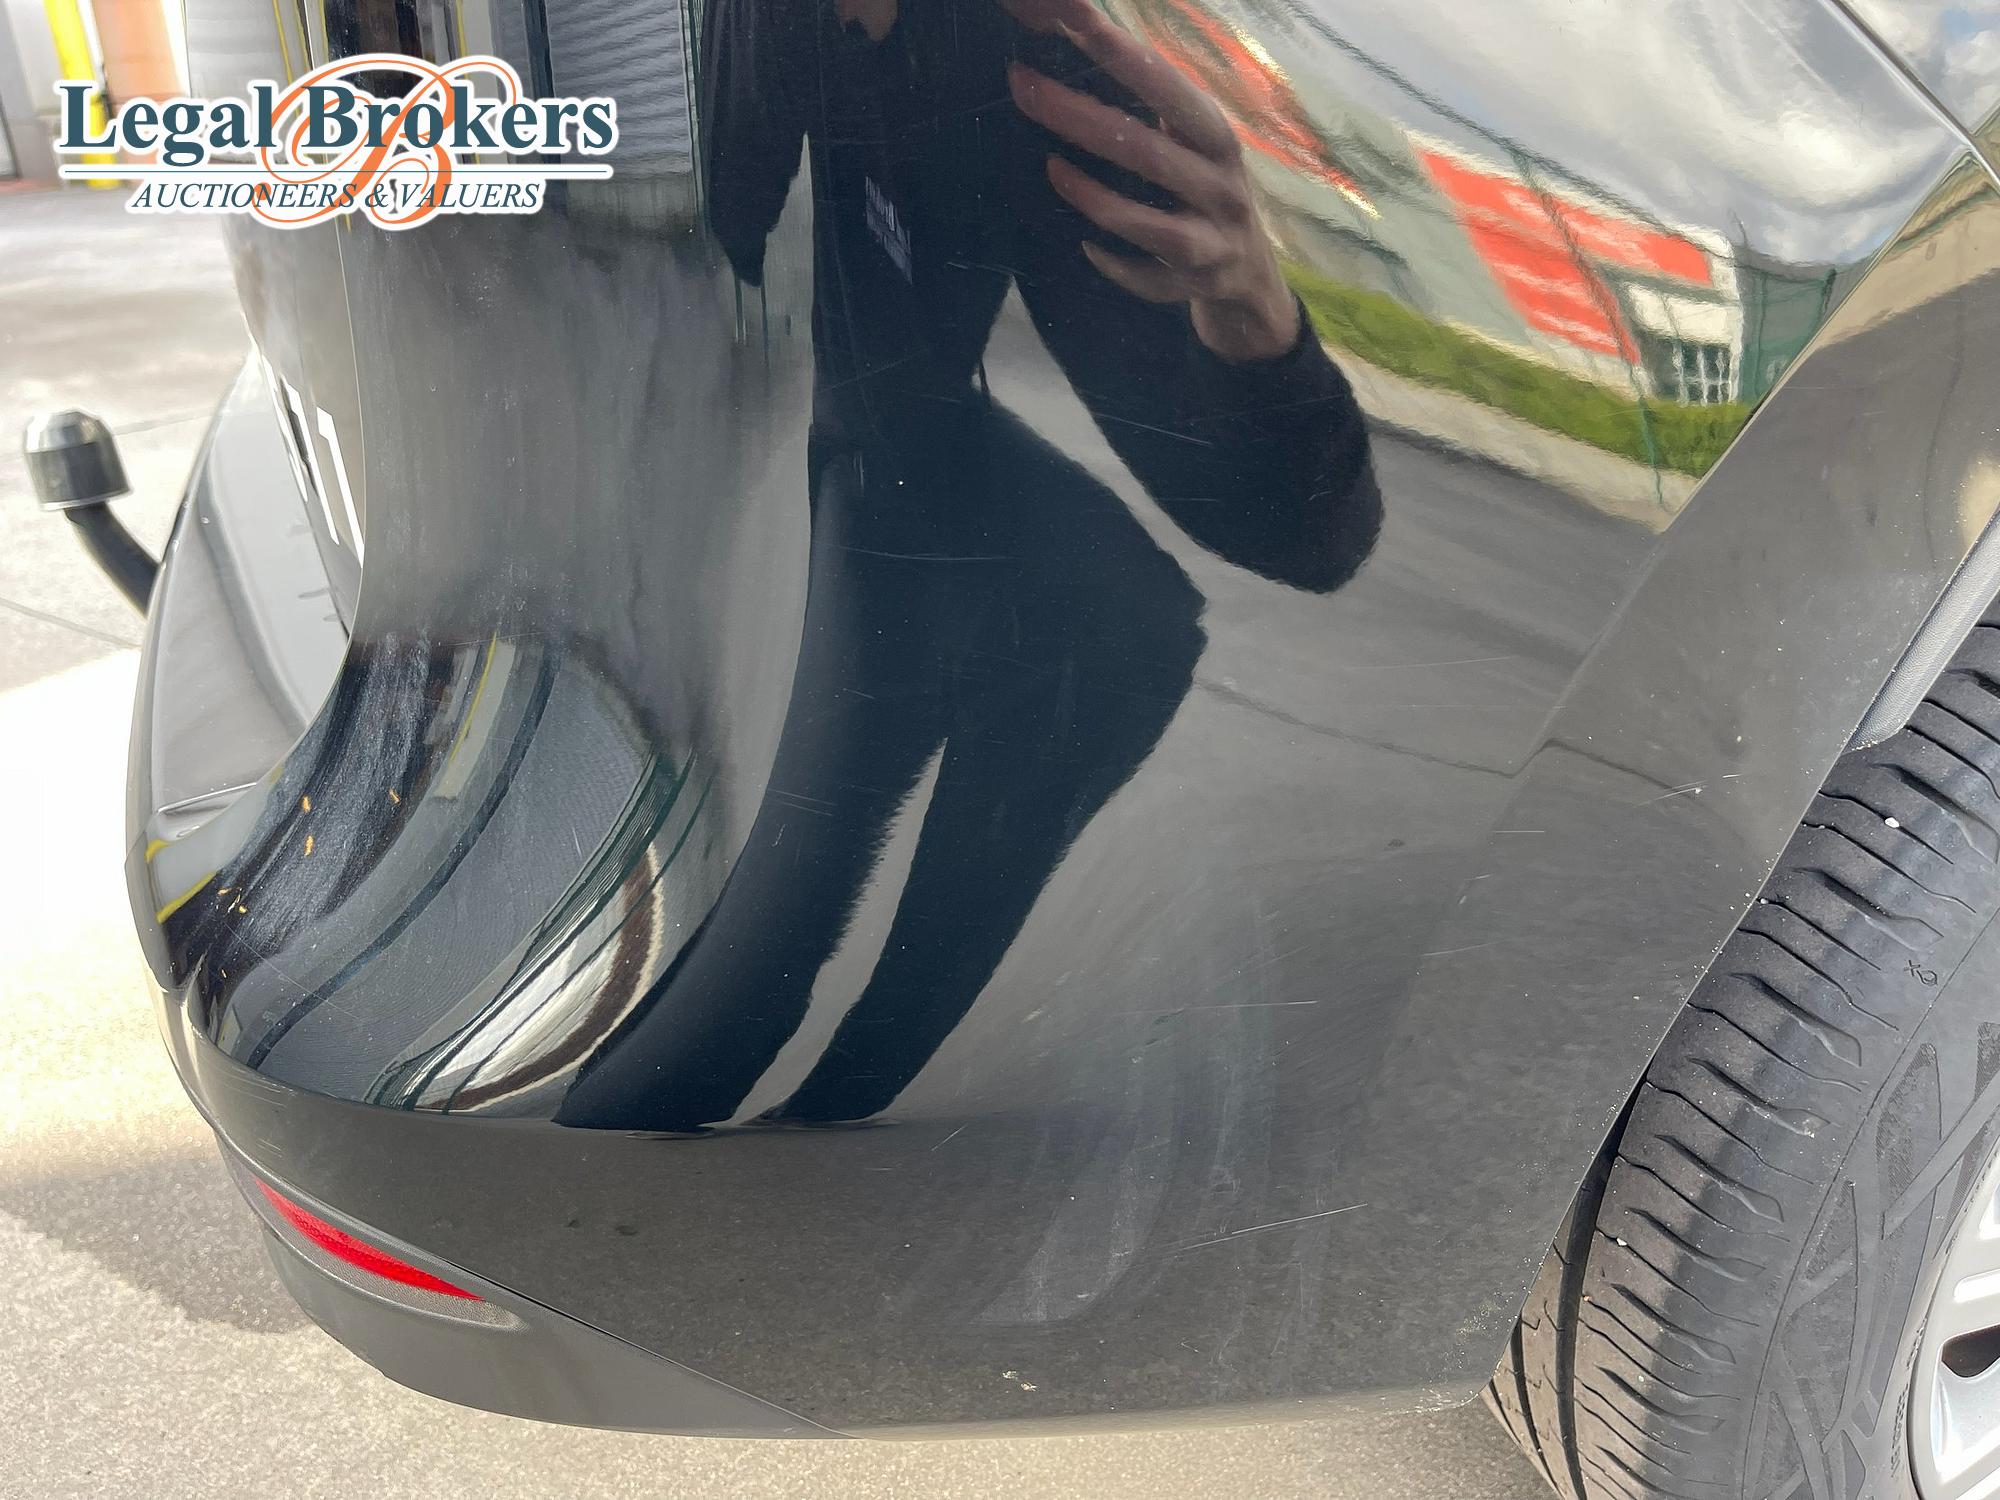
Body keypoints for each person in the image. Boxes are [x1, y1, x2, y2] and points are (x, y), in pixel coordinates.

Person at [556, 0, 1380, 1131]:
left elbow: (1307, 535)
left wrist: (1255, 325)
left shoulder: (1023, 83)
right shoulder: (733, 31)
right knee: (743, 983)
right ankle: (824, 1106)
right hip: (829, 479)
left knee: (776, 983)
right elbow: (715, 241)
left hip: (930, 508)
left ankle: (853, 1103)